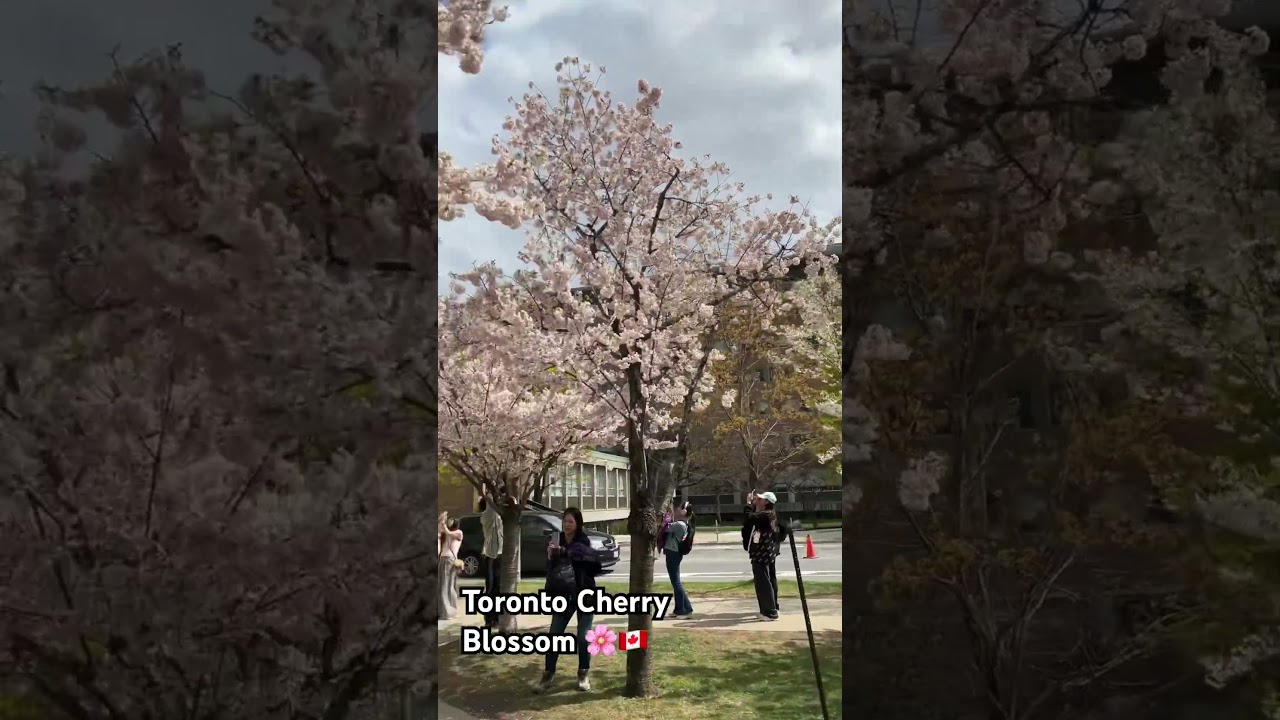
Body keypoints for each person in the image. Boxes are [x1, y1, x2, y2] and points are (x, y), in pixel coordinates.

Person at [534, 507, 603, 693]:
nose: (567, 525)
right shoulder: (557, 540)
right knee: (554, 635)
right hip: (563, 595)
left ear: (578, 523)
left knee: (583, 638)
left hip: (584, 594)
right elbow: (551, 568)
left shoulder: (583, 541)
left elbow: (585, 559)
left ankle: (583, 674)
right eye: (565, 521)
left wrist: (565, 552)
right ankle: (548, 674)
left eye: (571, 522)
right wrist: (551, 556)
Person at [741, 490, 780, 621]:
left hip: (762, 553)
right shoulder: (768, 514)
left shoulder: (766, 515)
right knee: (767, 580)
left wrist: (748, 503)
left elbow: (749, 518)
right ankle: (770, 608)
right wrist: (754, 503)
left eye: (761, 499)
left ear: (767, 502)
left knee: (763, 582)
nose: (758, 500)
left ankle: (770, 612)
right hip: (766, 552)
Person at [662, 501, 695, 619]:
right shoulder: (683, 523)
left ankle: (682, 610)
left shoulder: (679, 525)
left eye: (679, 508)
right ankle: (683, 608)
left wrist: (666, 516)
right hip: (675, 553)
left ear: (685, 511)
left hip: (673, 553)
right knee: (676, 582)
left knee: (676, 582)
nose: (676, 509)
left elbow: (664, 528)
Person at [479, 493, 503, 630]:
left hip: (498, 556)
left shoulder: (498, 517)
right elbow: (490, 502)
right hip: (491, 556)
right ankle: (489, 619)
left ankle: (496, 618)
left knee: (498, 589)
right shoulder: (487, 516)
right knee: (491, 589)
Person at [439, 514, 464, 620]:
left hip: (448, 559)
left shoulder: (458, 532)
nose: (450, 521)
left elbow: (448, 532)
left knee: (444, 586)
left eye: (451, 520)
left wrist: (443, 522)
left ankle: (447, 613)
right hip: (446, 559)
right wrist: (442, 521)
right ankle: (453, 610)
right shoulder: (447, 533)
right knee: (449, 586)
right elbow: (441, 530)